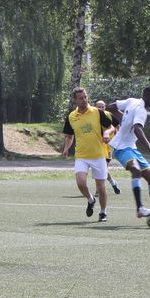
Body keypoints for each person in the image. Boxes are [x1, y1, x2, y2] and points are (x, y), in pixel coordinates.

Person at [106, 87, 150, 225]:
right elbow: (138, 129)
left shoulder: (131, 101)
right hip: (121, 147)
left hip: (132, 148)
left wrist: (124, 119)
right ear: (147, 96)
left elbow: (111, 107)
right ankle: (140, 208)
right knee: (136, 170)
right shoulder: (141, 110)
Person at [62, 88, 115, 222]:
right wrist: (66, 148)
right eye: (81, 98)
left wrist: (106, 133)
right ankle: (91, 200)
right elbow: (69, 136)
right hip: (82, 156)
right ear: (75, 100)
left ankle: (103, 212)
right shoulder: (71, 117)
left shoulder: (97, 112)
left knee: (101, 187)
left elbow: (111, 127)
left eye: (85, 97)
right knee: (80, 183)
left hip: (98, 155)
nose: (84, 100)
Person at [94, 100, 121, 195]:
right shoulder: (92, 117)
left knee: (103, 168)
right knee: (100, 168)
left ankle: (99, 189)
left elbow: (117, 125)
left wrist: (117, 137)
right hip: (97, 145)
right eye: (99, 106)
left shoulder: (109, 115)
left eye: (103, 106)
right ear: (95, 107)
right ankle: (113, 183)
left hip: (108, 146)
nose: (101, 108)